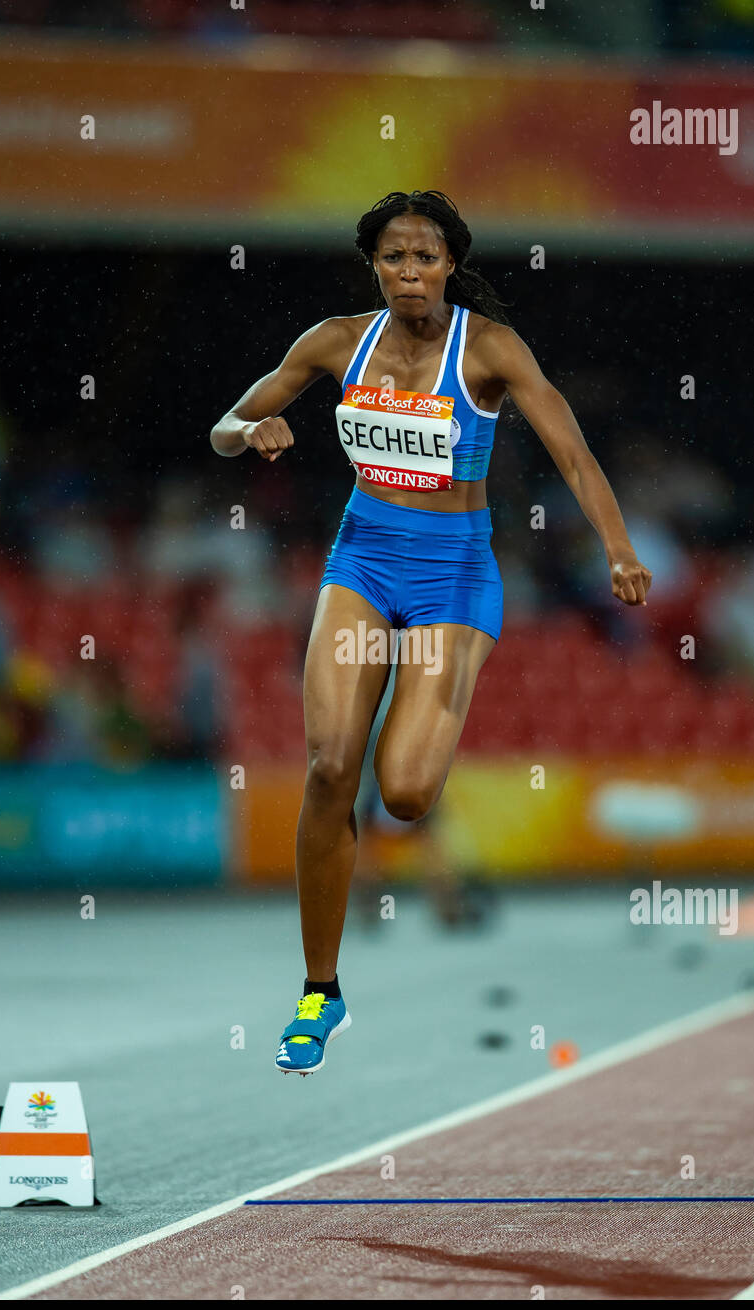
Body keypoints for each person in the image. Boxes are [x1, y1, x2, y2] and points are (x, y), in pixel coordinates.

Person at [210, 190, 651, 1076]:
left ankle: (414, 832)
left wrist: (617, 548)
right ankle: (318, 990)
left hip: (453, 575)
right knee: (332, 764)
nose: (410, 272)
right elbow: (223, 427)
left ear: (452, 264)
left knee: (405, 793)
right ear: (373, 265)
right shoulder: (337, 341)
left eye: (426, 257)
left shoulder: (488, 348)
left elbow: (571, 450)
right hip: (362, 563)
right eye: (394, 258)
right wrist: (249, 429)